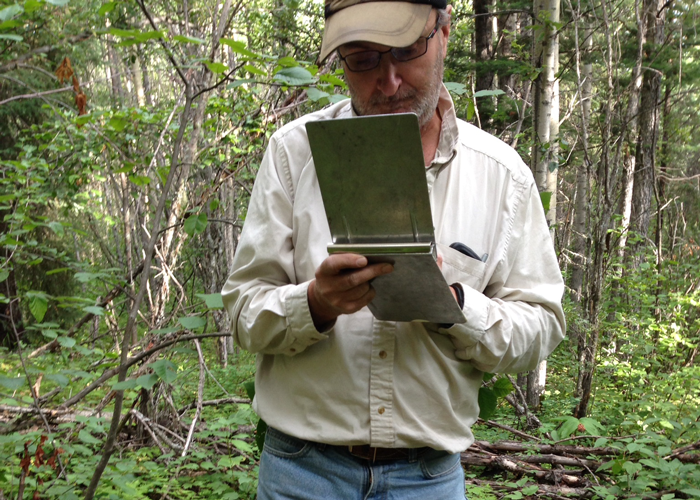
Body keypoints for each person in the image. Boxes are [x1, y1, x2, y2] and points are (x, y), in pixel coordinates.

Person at [222, 1, 566, 498]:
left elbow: (543, 324)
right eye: (362, 59)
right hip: (302, 472)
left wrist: (457, 308)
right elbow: (241, 312)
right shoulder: (294, 153)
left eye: (407, 51)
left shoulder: (501, 175)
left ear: (443, 34)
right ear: (340, 61)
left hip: (427, 478)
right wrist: (315, 304)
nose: (388, 81)